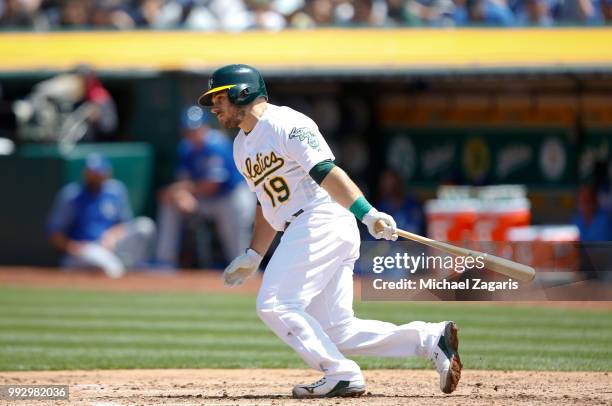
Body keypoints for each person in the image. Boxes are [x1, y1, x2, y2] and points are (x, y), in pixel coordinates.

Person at [198, 64, 462, 398]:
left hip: (318, 218)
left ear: (242, 92)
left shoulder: (285, 122)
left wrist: (366, 212)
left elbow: (325, 171)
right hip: (305, 226)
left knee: (275, 303)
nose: (213, 107)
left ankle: (341, 373)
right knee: (337, 330)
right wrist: (254, 254)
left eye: (219, 97)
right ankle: (430, 339)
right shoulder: (240, 147)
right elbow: (266, 202)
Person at [155, 105, 255, 267]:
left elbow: (212, 185)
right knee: (170, 204)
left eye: (196, 129)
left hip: (231, 196)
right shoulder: (186, 148)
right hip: (206, 199)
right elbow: (184, 182)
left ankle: (243, 265)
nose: (192, 133)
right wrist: (180, 195)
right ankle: (164, 261)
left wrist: (184, 191)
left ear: (206, 127)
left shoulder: (217, 144)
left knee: (232, 212)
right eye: (188, 130)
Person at [47, 153, 156, 278]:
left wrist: (112, 235)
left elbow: (125, 223)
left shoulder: (116, 190)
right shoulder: (72, 195)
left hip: (110, 244)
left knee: (145, 225)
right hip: (86, 248)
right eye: (91, 173)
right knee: (112, 269)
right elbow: (53, 231)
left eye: (97, 174)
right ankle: (120, 271)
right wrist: (72, 247)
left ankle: (135, 266)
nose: (94, 177)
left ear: (107, 173)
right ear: (85, 173)